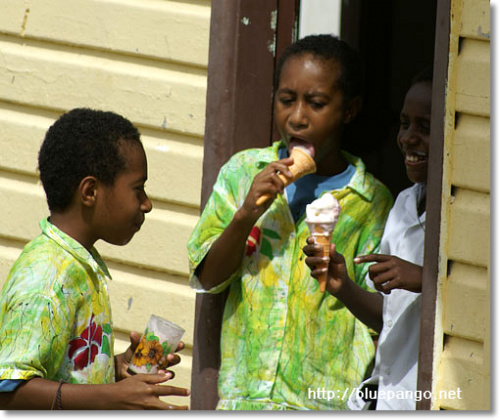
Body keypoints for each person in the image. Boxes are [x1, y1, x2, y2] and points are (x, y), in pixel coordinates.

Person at [187, 35, 394, 410]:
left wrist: (342, 285)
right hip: (243, 401)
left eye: (316, 103)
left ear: (350, 110)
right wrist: (247, 211)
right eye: (286, 100)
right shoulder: (242, 172)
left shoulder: (370, 202)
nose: (297, 117)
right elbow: (207, 278)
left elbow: (385, 316)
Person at [0, 108, 190, 409]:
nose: (147, 204)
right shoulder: (46, 277)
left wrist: (116, 367)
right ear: (90, 192)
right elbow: (9, 390)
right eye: (138, 189)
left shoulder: (79, 265)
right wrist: (111, 397)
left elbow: (64, 375)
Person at [304, 67, 433, 410]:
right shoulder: (405, 203)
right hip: (386, 394)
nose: (408, 138)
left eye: (426, 128)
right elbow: (389, 317)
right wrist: (343, 286)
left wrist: (425, 279)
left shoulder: (473, 217)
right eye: (405, 124)